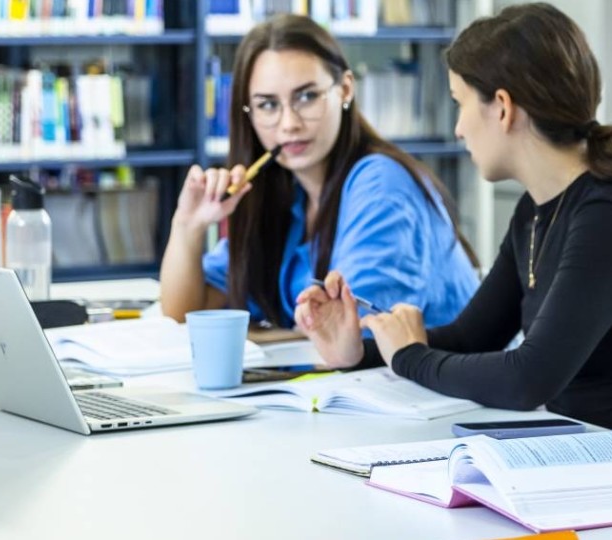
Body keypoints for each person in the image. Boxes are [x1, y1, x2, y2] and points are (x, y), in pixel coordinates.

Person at [292, 3, 612, 431]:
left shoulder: (610, 219)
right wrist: (363, 353)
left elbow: (528, 379)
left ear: (502, 107)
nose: (458, 129)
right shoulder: (536, 210)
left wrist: (409, 358)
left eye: (459, 104)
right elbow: (472, 338)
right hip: (569, 449)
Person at [159, 14, 478, 331]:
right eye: (268, 105)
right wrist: (188, 225)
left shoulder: (382, 184)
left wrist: (256, 341)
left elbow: (344, 337)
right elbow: (184, 316)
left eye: (307, 97)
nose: (289, 124)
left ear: (346, 90)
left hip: (428, 381)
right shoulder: (285, 196)